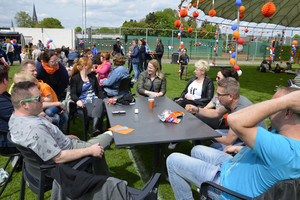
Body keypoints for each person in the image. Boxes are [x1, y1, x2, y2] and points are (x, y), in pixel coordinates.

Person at [167, 87, 300, 199]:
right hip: (233, 167)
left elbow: (234, 119)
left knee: (173, 160)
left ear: (287, 111)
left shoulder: (285, 149)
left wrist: (285, 100)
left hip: (226, 188)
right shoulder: (285, 137)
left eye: (274, 104)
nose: (270, 111)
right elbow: (269, 158)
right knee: (197, 150)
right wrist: (238, 149)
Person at [9, 81, 115, 199]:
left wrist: (65, 137)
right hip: (63, 159)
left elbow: (43, 140)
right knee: (100, 146)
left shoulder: (15, 117)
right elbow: (58, 157)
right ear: (24, 104)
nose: (43, 100)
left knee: (98, 145)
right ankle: (106, 186)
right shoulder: (34, 129)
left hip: (36, 167)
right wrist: (90, 150)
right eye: (39, 98)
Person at [186, 77, 267, 150]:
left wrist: (207, 134)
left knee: (213, 148)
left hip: (255, 145)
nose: (216, 97)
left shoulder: (240, 113)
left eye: (219, 94)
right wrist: (197, 110)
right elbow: (216, 113)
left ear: (230, 96)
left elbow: (228, 141)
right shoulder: (235, 100)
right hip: (244, 135)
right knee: (216, 132)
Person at [70, 57, 106, 137]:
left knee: (100, 102)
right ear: (85, 67)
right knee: (98, 108)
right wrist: (77, 101)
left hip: (95, 99)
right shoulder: (75, 79)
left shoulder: (92, 77)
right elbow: (73, 94)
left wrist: (104, 98)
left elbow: (99, 90)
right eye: (90, 67)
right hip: (84, 101)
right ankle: (96, 129)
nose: (92, 68)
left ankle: (94, 128)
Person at [0, 65, 18, 154]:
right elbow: (18, 117)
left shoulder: (4, 94)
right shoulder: (1, 100)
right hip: (6, 142)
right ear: (4, 81)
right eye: (8, 78)